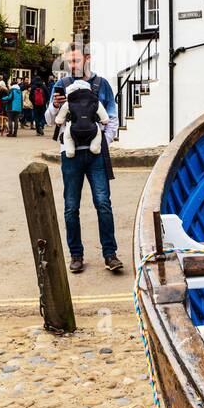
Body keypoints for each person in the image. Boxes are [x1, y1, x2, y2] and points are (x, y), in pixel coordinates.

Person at [45, 44, 123, 274]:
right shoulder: (61, 85)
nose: (72, 65)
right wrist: (54, 106)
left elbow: (112, 117)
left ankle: (110, 254)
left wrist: (103, 143)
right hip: (69, 154)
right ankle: (76, 256)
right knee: (71, 207)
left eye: (76, 60)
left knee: (103, 204)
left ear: (87, 58)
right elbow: (50, 120)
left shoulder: (102, 85)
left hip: (96, 154)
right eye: (69, 61)